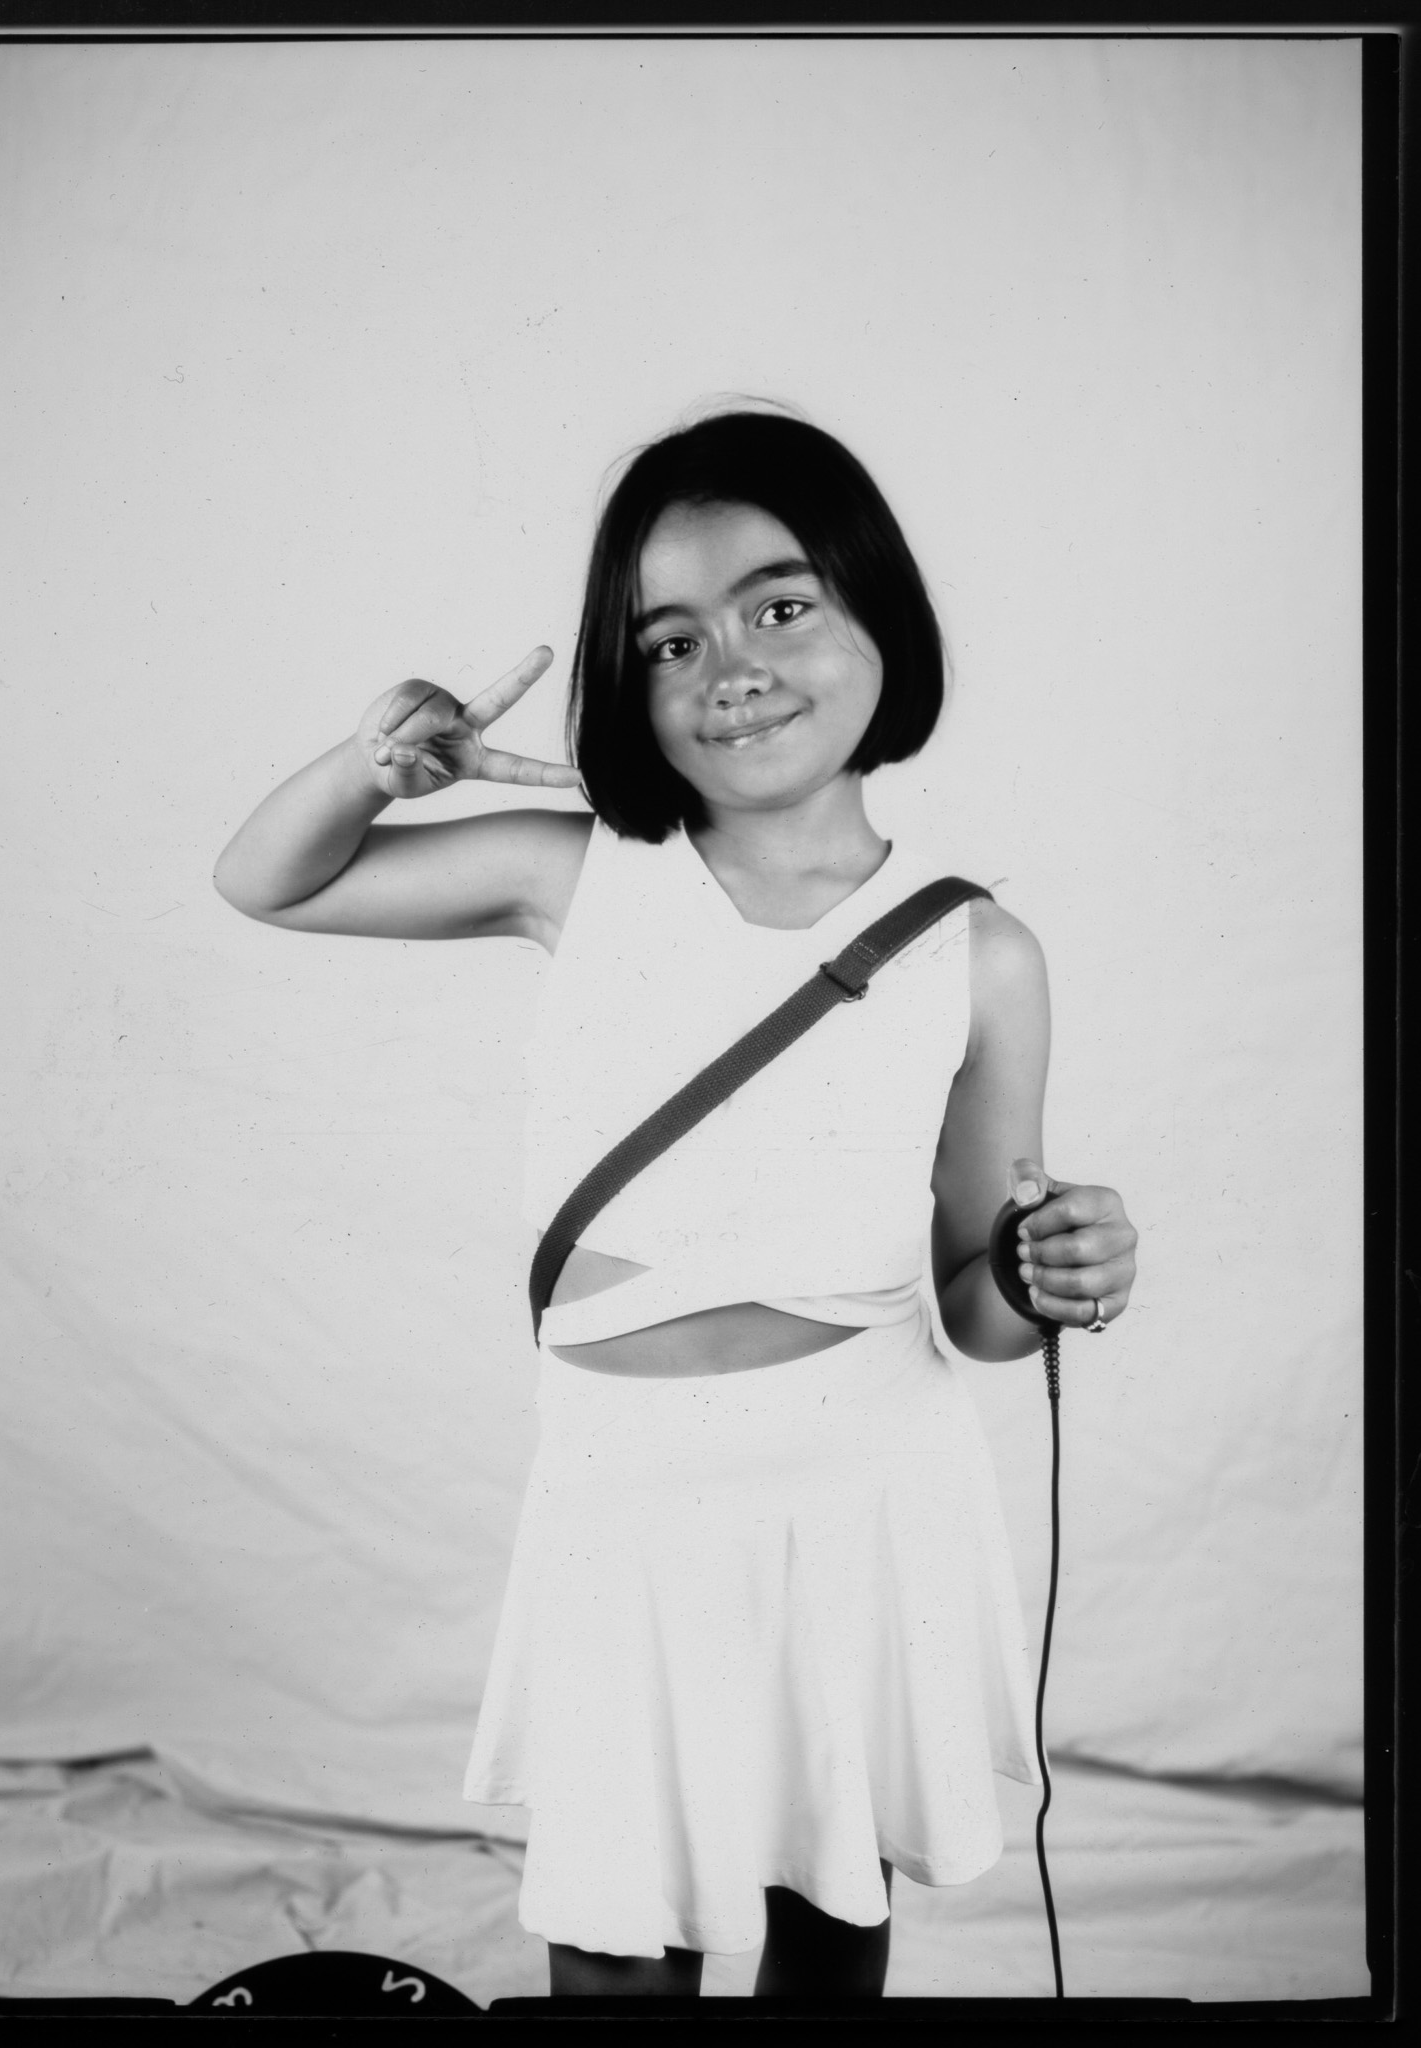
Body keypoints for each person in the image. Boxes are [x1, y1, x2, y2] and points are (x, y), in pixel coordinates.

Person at [213, 409, 1138, 2000]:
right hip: (628, 1504)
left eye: (782, 605)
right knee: (616, 1940)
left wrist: (1062, 1267)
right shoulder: (580, 874)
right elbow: (269, 879)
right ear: (626, 687)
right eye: (669, 641)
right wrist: (383, 765)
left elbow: (981, 1314)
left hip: (866, 1485)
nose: (734, 665)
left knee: (827, 1911)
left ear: (878, 619)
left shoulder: (981, 954)